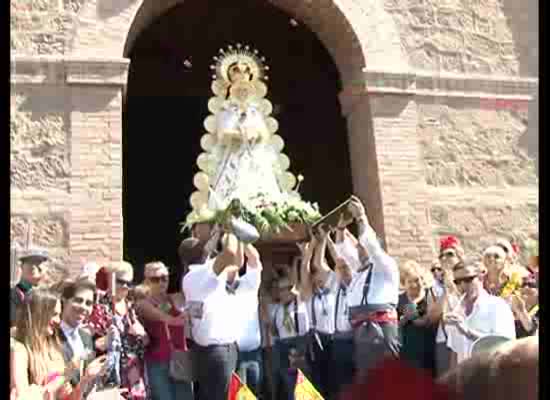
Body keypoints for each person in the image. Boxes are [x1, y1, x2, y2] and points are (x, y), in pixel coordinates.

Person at [183, 232, 262, 400]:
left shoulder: (191, 277)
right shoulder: (204, 273)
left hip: (206, 350)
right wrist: (232, 230)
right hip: (219, 352)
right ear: (205, 252)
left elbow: (237, 261)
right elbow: (231, 254)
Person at [333, 196, 401, 377]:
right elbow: (342, 250)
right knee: (366, 377)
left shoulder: (385, 265)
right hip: (360, 329)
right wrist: (340, 228)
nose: (358, 250)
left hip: (381, 327)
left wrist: (361, 217)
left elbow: (371, 246)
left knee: (387, 376)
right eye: (359, 248)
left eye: (362, 248)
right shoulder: (359, 271)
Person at [11, 288, 107, 400]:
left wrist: (85, 378)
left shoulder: (54, 348)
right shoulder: (19, 350)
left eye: (59, 315)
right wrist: (64, 377)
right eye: (54, 314)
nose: (57, 320)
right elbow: (22, 397)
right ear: (38, 313)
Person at [88, 261, 149, 399]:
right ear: (111, 280)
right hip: (112, 372)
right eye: (122, 282)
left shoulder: (130, 306)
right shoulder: (100, 307)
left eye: (129, 283)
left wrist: (143, 334)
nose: (126, 286)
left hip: (134, 371)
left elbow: (144, 341)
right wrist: (104, 340)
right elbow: (94, 343)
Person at [443, 260, 516, 366]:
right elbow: (455, 352)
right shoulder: (456, 310)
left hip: (490, 375)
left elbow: (505, 345)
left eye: (468, 279)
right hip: (465, 376)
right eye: (457, 281)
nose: (463, 285)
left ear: (481, 277)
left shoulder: (497, 306)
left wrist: (468, 332)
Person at [136, 262, 192, 400]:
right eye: (155, 279)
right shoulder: (143, 303)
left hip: (180, 359)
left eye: (165, 278)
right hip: (157, 362)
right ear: (146, 280)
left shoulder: (175, 298)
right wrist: (183, 316)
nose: (161, 282)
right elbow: (167, 319)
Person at [397, 261, 437, 374]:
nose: (414, 284)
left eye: (417, 280)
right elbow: (395, 327)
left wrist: (414, 318)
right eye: (410, 281)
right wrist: (404, 319)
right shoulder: (399, 300)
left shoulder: (430, 295)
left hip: (428, 348)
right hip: (407, 350)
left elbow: (432, 320)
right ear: (403, 283)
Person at [58, 279, 99, 388]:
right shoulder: (52, 335)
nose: (83, 307)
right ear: (65, 300)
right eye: (78, 300)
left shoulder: (86, 338)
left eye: (88, 303)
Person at [10, 248, 48, 328]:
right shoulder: (14, 294)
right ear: (22, 268)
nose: (39, 274)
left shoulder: (40, 295)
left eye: (40, 269)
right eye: (33, 268)